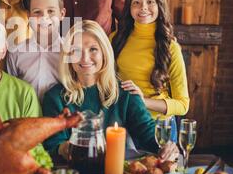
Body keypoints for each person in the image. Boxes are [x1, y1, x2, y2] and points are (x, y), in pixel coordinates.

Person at [42, 20, 179, 162]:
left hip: (118, 173)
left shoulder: (125, 93)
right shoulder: (55, 97)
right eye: (76, 51)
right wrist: (66, 148)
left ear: (104, 52)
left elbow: (148, 133)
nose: (85, 58)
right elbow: (52, 145)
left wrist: (166, 146)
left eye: (93, 49)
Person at [111, 0, 190, 142]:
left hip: (158, 127)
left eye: (150, 2)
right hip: (123, 125)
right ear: (129, 7)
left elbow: (183, 105)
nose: (143, 8)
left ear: (159, 5)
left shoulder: (170, 47)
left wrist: (142, 101)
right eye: (136, 2)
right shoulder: (116, 39)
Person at [6, 0, 66, 102]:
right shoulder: (15, 53)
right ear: (29, 16)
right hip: (27, 117)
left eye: (51, 11)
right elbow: (10, 91)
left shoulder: (70, 51)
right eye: (37, 12)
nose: (44, 17)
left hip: (60, 116)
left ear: (62, 14)